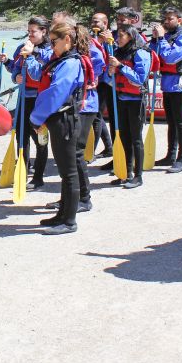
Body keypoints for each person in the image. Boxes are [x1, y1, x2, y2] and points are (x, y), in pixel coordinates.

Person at [30, 20, 95, 234]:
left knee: (69, 173)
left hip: (65, 120)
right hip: (58, 120)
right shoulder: (62, 60)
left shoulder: (70, 63)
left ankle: (69, 221)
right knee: (64, 171)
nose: (51, 46)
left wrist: (36, 118)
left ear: (67, 40)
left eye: (53, 41)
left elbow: (56, 93)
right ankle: (62, 215)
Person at [39, 13, 103, 214]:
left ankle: (83, 198)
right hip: (75, 105)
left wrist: (91, 79)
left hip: (84, 105)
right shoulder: (61, 48)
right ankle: (67, 199)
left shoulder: (86, 47)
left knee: (75, 155)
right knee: (69, 158)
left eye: (56, 23)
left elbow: (98, 63)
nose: (53, 26)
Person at [0, 16, 53, 189]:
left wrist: (29, 56)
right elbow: (15, 69)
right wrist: (15, 75)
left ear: (44, 32)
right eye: (28, 31)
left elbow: (38, 75)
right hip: (24, 97)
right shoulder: (21, 48)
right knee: (22, 136)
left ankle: (38, 177)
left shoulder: (50, 51)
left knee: (40, 138)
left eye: (33, 32)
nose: (29, 35)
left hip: (40, 99)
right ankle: (22, 168)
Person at [150, 5, 182, 173]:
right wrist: (155, 39)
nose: (166, 21)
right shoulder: (167, 36)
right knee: (171, 121)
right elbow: (154, 54)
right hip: (166, 83)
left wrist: (162, 39)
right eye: (165, 19)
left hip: (180, 84)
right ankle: (170, 155)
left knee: (180, 121)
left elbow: (171, 58)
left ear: (179, 20)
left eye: (170, 18)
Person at [108, 25, 153, 189]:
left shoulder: (140, 53)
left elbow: (139, 79)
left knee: (135, 138)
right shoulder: (117, 53)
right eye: (117, 36)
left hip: (136, 100)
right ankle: (126, 173)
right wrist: (111, 71)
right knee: (124, 137)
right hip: (121, 98)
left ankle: (138, 176)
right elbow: (110, 77)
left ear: (131, 37)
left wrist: (120, 67)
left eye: (121, 36)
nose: (118, 39)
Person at [89, 11, 114, 161]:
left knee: (96, 116)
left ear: (105, 24)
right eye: (93, 21)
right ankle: (109, 147)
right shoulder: (91, 39)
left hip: (105, 82)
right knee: (97, 116)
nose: (94, 23)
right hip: (94, 81)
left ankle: (90, 151)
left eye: (97, 21)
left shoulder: (110, 39)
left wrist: (109, 42)